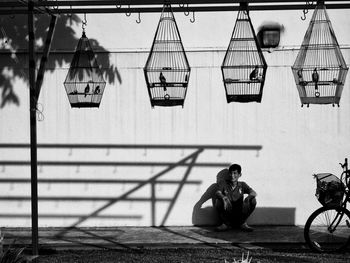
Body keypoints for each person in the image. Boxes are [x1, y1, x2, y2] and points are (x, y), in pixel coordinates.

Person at [194, 164, 257, 232]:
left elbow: (254, 193)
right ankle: (226, 224)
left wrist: (248, 198)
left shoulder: (242, 184)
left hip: (239, 213)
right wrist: (224, 198)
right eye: (230, 173)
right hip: (228, 213)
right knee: (218, 200)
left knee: (253, 200)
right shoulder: (223, 183)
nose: (232, 176)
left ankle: (242, 223)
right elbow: (218, 192)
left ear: (240, 175)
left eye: (235, 173)